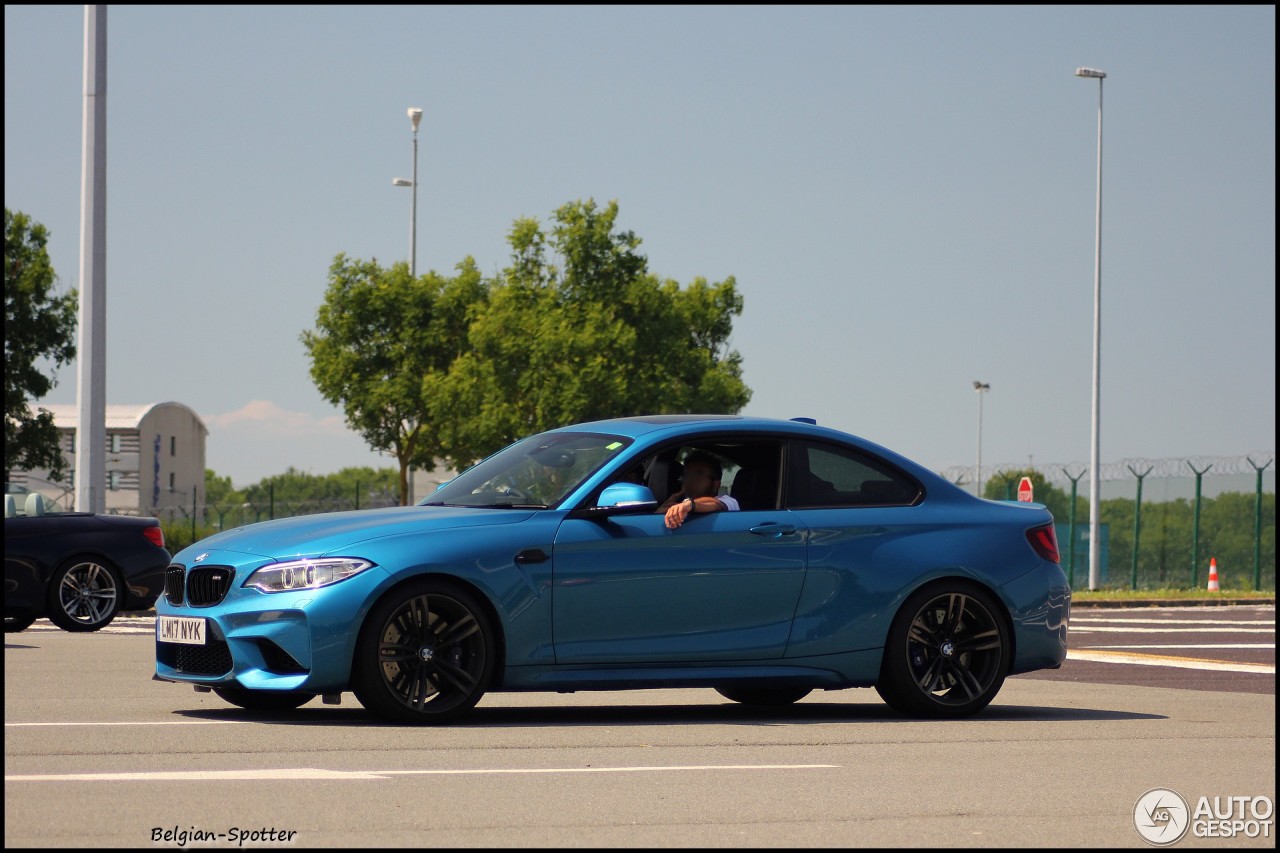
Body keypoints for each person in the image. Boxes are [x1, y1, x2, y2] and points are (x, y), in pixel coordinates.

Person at [657, 450, 739, 529]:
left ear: (715, 485)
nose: (691, 478)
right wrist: (659, 513)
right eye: (687, 474)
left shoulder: (729, 502)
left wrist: (689, 505)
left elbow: (716, 505)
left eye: (699, 473)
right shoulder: (678, 506)